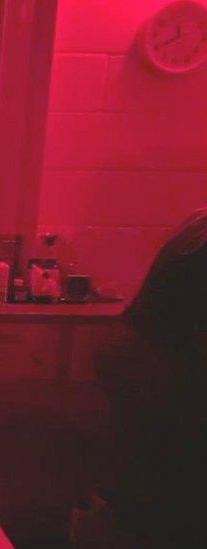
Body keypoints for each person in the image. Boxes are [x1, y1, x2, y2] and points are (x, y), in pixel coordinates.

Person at [93, 206, 207, 546]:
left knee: (149, 480)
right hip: (159, 366)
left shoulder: (197, 232)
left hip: (137, 353)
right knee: (171, 488)